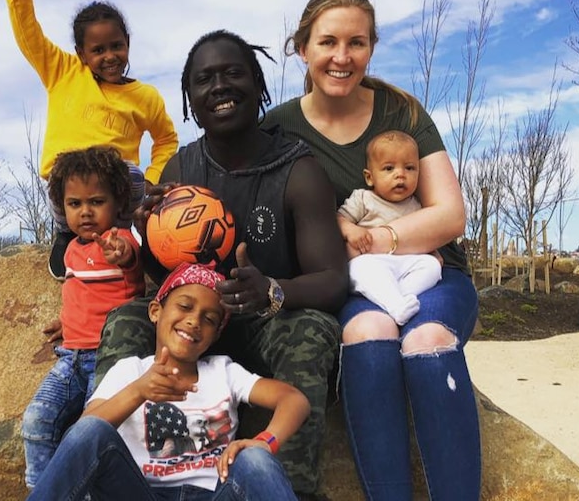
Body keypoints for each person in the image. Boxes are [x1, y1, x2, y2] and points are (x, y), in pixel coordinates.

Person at [94, 30, 349, 501]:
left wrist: (272, 290)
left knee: (311, 329)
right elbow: (167, 280)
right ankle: (118, 481)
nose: (219, 87)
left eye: (233, 73)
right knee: (127, 319)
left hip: (263, 325)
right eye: (203, 79)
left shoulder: (298, 169)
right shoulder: (179, 172)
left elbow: (334, 279)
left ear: (257, 82)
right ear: (190, 99)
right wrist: (145, 234)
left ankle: (289, 489)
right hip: (197, 326)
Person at [261, 0, 481, 500]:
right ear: (303, 49)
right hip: (358, 285)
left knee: (427, 340)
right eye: (328, 42)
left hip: (435, 271)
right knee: (367, 331)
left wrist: (381, 237)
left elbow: (451, 215)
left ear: (372, 47)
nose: (342, 57)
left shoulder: (402, 114)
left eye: (356, 43)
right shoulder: (278, 128)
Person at [26, 262, 309, 500]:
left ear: (215, 335)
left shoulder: (224, 371)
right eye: (184, 306)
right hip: (138, 491)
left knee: (255, 460)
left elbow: (293, 400)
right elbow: (87, 432)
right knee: (90, 430)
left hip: (213, 494)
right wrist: (139, 391)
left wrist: (266, 441)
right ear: (155, 311)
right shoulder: (131, 370)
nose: (194, 321)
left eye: (209, 319)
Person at [0, 0, 178, 280]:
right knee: (70, 175)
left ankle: (128, 242)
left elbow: (167, 140)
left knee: (127, 174)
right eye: (98, 50)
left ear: (128, 43)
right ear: (81, 53)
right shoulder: (62, 71)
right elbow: (27, 29)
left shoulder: (145, 97)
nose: (110, 56)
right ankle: (69, 235)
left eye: (116, 46)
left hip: (118, 192)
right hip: (69, 190)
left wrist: (154, 178)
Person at [20, 145, 145, 489]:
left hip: (108, 361)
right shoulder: (73, 249)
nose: (85, 212)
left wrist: (121, 254)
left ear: (118, 203)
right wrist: (67, 322)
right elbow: (83, 295)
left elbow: (131, 267)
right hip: (70, 358)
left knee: (92, 433)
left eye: (96, 201)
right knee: (36, 420)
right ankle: (43, 490)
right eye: (75, 204)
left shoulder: (120, 242)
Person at [338, 130, 442, 326]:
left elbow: (424, 235)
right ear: (370, 177)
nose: (400, 175)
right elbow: (338, 219)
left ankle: (393, 301)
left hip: (404, 265)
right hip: (372, 262)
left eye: (410, 168)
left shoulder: (416, 205)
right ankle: (395, 303)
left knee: (432, 267)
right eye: (388, 168)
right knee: (359, 268)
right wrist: (350, 230)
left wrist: (433, 252)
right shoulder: (363, 198)